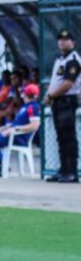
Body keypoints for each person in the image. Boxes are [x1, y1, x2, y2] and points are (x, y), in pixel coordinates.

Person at [0, 83, 41, 177]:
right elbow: (14, 124)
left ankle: (1, 165)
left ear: (27, 95)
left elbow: (35, 125)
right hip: (10, 134)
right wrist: (2, 128)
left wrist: (15, 129)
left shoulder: (33, 107)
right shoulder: (25, 106)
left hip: (18, 137)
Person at [46, 30, 80, 183]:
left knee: (68, 137)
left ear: (73, 42)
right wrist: (49, 95)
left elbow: (67, 84)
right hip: (58, 102)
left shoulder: (73, 60)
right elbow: (56, 81)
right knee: (61, 137)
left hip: (67, 101)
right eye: (60, 39)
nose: (62, 42)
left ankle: (71, 171)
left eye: (66, 39)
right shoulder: (60, 59)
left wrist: (52, 95)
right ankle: (63, 169)